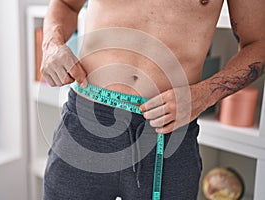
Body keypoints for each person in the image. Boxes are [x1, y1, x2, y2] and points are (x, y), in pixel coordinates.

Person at [41, 0, 265, 199]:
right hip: (86, 124)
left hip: (168, 131)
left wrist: (205, 95)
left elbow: (259, 45)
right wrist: (51, 44)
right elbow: (66, 4)